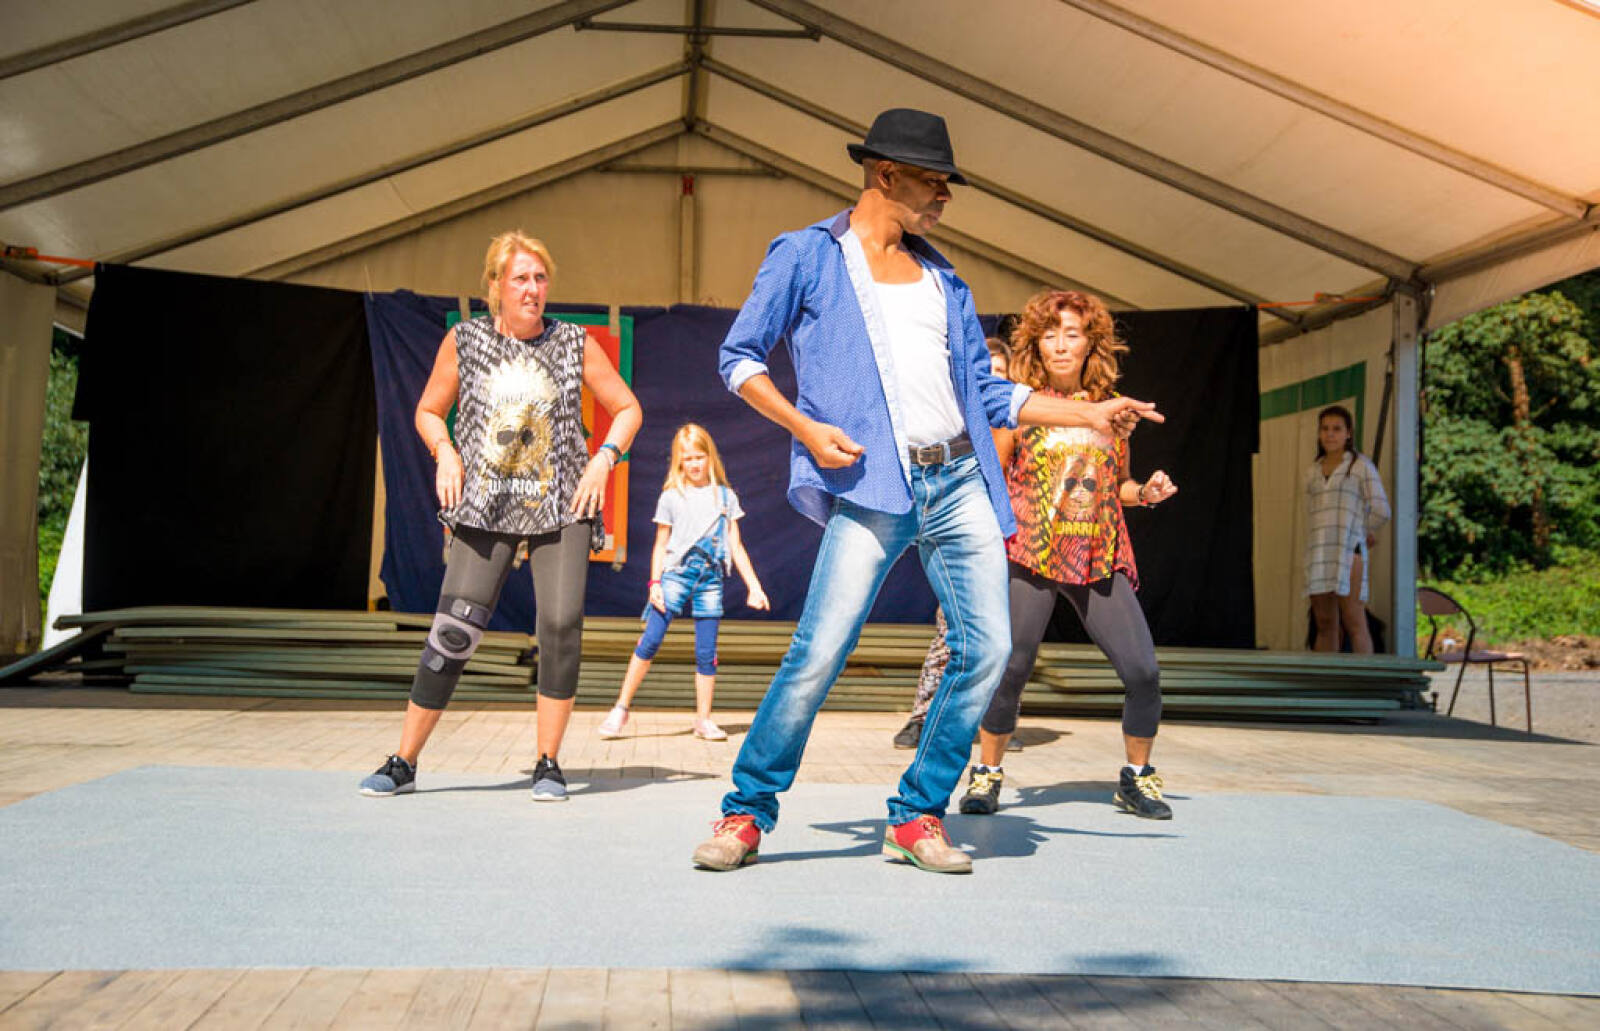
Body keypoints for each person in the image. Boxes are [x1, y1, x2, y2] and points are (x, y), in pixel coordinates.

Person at [690, 108, 1161, 875]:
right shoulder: (807, 256)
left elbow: (987, 391)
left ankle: (917, 813)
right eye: (934, 182)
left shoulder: (946, 280)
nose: (945, 196)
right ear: (887, 175)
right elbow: (738, 358)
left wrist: (1089, 412)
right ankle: (746, 809)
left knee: (989, 648)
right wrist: (804, 427)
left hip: (960, 479)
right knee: (819, 650)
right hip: (874, 484)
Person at [359, 231, 642, 801]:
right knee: (455, 628)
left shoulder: (574, 342)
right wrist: (445, 451)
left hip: (562, 503)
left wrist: (604, 459)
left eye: (540, 278)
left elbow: (628, 408)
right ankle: (404, 761)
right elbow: (429, 410)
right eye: (520, 278)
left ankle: (548, 763)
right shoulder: (466, 341)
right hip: (486, 503)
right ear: (495, 286)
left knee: (560, 624)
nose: (533, 288)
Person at [957, 289, 1178, 820]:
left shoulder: (1112, 410)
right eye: (1050, 334)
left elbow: (1118, 485)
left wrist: (1146, 492)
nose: (1060, 344)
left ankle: (1137, 778)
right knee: (1012, 666)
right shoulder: (1018, 406)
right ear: (1035, 343)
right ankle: (987, 773)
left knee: (1143, 672)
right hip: (1030, 551)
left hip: (1096, 551)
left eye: (1072, 334)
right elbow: (992, 477)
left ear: (1089, 344)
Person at [597, 423, 769, 742]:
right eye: (687, 458)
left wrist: (754, 586)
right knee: (650, 640)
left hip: (710, 578)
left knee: (707, 652)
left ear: (710, 457)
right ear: (679, 461)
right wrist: (655, 583)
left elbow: (736, 546)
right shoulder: (671, 497)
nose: (694, 464)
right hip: (676, 574)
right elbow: (660, 544)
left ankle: (703, 719)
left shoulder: (725, 496)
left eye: (699, 457)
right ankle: (621, 707)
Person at [892, 337, 1015, 752]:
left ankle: (995, 723)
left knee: (1000, 635)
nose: (992, 378)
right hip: (964, 532)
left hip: (1011, 536)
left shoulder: (1016, 425)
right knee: (952, 628)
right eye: (986, 372)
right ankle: (922, 716)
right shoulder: (955, 423)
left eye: (1000, 373)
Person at [1305, 405, 1390, 653]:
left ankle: (1364, 676)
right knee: (1324, 623)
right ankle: (1326, 675)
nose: (1330, 434)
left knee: (1354, 620)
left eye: (1337, 429)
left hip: (1349, 551)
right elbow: (1310, 513)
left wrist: (1360, 532)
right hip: (1319, 553)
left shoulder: (1360, 466)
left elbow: (1381, 509)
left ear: (1348, 433)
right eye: (1325, 429)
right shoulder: (1312, 471)